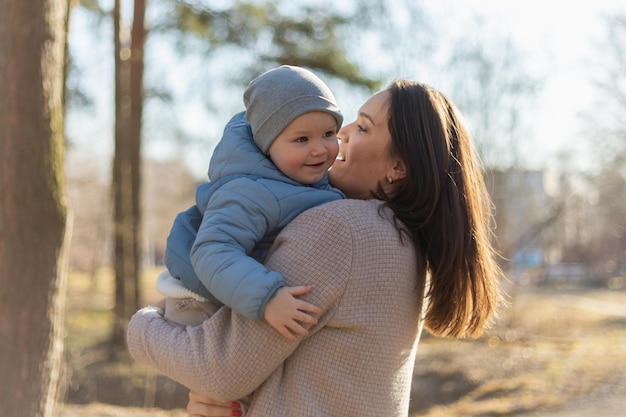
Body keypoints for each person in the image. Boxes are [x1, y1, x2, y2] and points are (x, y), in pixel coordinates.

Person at [127, 79, 502, 417]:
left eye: (364, 127)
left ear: (398, 167)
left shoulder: (339, 230)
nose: (344, 134)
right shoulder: (405, 242)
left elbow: (218, 368)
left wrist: (142, 325)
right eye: (352, 121)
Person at [159, 65, 345, 342]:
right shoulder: (250, 191)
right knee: (222, 381)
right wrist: (267, 297)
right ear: (268, 146)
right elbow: (214, 250)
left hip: (231, 293)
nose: (319, 149)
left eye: (329, 134)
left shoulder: (303, 179)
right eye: (302, 139)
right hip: (197, 304)